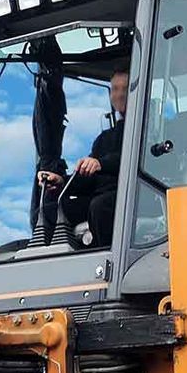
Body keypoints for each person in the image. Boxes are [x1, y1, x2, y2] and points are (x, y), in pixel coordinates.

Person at [39, 70, 128, 247]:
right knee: (49, 211)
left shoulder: (148, 129)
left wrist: (101, 163)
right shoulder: (103, 139)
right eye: (115, 89)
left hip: (132, 197)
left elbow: (131, 160)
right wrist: (61, 181)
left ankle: (105, 259)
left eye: (125, 88)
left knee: (100, 206)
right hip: (99, 197)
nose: (119, 94)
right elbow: (89, 179)